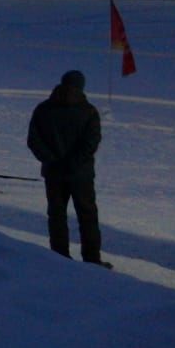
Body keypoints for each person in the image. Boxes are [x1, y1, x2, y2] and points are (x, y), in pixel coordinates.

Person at [27, 70, 110, 269]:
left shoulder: (43, 109)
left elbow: (33, 141)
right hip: (80, 174)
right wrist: (72, 163)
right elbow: (91, 143)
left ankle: (59, 258)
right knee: (87, 216)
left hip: (53, 173)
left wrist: (52, 160)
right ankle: (91, 259)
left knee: (57, 216)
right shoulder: (89, 111)